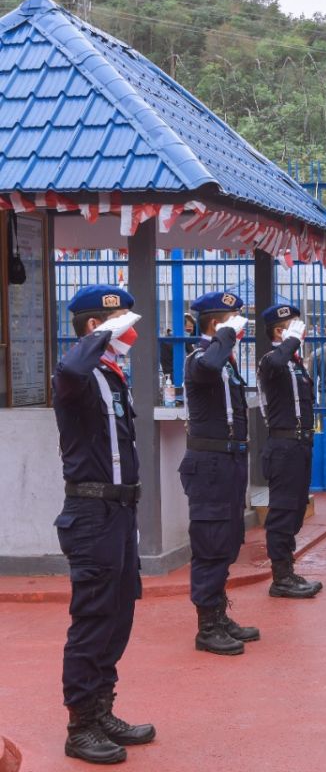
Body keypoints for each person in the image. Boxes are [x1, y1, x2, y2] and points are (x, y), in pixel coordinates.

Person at [52, 285, 154, 764]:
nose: (129, 333)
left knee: (118, 616)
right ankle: (81, 725)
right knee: (93, 620)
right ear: (97, 327)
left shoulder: (112, 376)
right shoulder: (76, 375)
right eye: (121, 325)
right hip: (91, 515)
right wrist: (101, 336)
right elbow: (72, 366)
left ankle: (102, 707)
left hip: (118, 512)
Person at [180, 291, 259, 656]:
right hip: (209, 466)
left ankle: (218, 612)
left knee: (226, 541)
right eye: (234, 320)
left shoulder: (226, 362)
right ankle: (206, 626)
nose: (240, 326)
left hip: (228, 464)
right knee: (211, 544)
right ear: (216, 324)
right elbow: (208, 367)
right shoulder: (200, 359)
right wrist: (223, 336)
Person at [256, 304, 322, 599]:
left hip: (300, 444)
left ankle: (287, 569)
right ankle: (280, 576)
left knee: (296, 510)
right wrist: (290, 340)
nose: (300, 330)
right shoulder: (272, 359)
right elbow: (277, 362)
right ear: (279, 331)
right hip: (283, 445)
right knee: (283, 511)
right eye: (291, 326)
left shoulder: (295, 363)